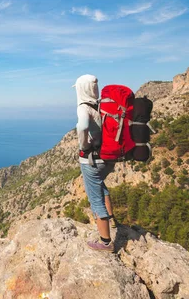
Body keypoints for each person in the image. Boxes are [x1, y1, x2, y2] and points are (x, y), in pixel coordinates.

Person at [73, 74, 116, 252]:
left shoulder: (84, 107)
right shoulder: (101, 104)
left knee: (95, 199)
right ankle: (110, 221)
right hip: (109, 158)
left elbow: (82, 127)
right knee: (101, 186)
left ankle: (106, 243)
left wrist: (83, 144)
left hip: (92, 159)